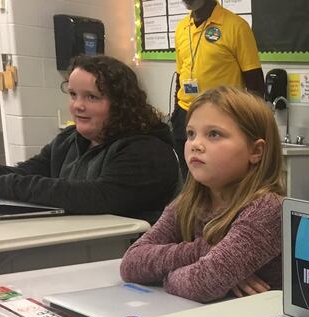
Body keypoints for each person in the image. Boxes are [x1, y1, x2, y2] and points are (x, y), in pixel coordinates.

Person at [120, 86, 284, 303]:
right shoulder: (189, 202)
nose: (195, 144)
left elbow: (202, 284)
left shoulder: (268, 208)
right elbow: (131, 263)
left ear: (256, 151)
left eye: (214, 134)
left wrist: (168, 276)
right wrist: (204, 251)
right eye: (191, 134)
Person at [0, 55, 179, 224]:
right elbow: (27, 173)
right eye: (73, 94)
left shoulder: (148, 150)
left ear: (121, 103)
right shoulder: (68, 139)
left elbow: (96, 197)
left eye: (91, 97)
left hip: (125, 251)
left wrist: (8, 185)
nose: (78, 105)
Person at [171, 0, 265, 175]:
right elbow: (180, 75)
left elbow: (255, 82)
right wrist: (177, 110)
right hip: (185, 115)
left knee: (219, 178)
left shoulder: (236, 26)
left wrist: (256, 126)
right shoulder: (181, 28)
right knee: (188, 181)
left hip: (222, 115)